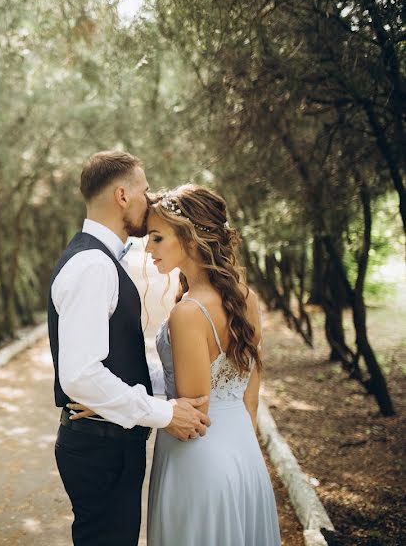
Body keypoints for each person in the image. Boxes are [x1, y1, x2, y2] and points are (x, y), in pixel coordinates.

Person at [48, 151, 211, 546]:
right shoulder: (93, 266)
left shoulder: (99, 260)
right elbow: (81, 374)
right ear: (122, 195)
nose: (150, 200)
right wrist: (163, 412)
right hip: (102, 448)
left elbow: (104, 367)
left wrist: (113, 398)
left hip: (107, 438)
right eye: (146, 190)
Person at [142, 184, 281, 545]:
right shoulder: (245, 298)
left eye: (157, 238)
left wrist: (120, 402)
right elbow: (250, 396)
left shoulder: (188, 312)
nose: (148, 248)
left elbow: (192, 415)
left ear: (190, 239)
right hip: (244, 452)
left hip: (197, 462)